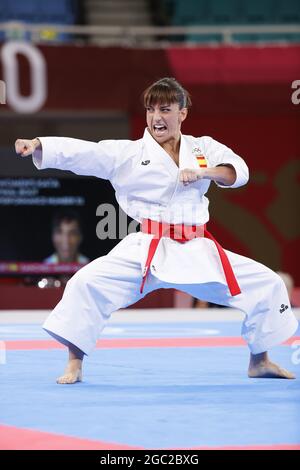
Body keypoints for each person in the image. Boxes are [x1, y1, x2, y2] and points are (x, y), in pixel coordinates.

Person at [15, 77, 298, 384]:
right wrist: (39, 145)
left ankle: (260, 361)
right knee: (87, 282)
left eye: (165, 109)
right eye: (150, 110)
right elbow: (86, 153)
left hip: (196, 247)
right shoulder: (129, 154)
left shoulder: (203, 147)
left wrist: (204, 172)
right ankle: (74, 364)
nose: (156, 117)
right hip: (148, 248)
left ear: (182, 113)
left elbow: (237, 171)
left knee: (267, 284)